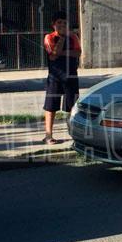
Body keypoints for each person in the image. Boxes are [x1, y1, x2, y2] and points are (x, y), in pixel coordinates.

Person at [42, 11, 81, 144]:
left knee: (72, 107)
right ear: (53, 25)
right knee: (51, 106)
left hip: (71, 76)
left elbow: (78, 52)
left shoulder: (74, 37)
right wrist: (63, 38)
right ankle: (48, 135)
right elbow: (53, 55)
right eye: (59, 22)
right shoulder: (49, 37)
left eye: (65, 23)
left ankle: (74, 134)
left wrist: (63, 52)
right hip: (55, 77)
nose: (62, 25)